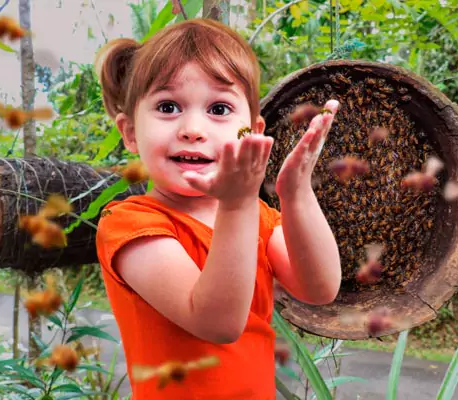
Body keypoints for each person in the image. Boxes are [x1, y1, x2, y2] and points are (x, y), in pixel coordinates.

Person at [94, 18, 342, 400]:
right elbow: (217, 323)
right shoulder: (130, 225)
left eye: (220, 108)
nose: (193, 128)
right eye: (168, 106)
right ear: (129, 132)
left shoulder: (257, 215)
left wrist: (295, 192)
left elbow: (319, 287)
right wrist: (239, 202)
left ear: (252, 131)